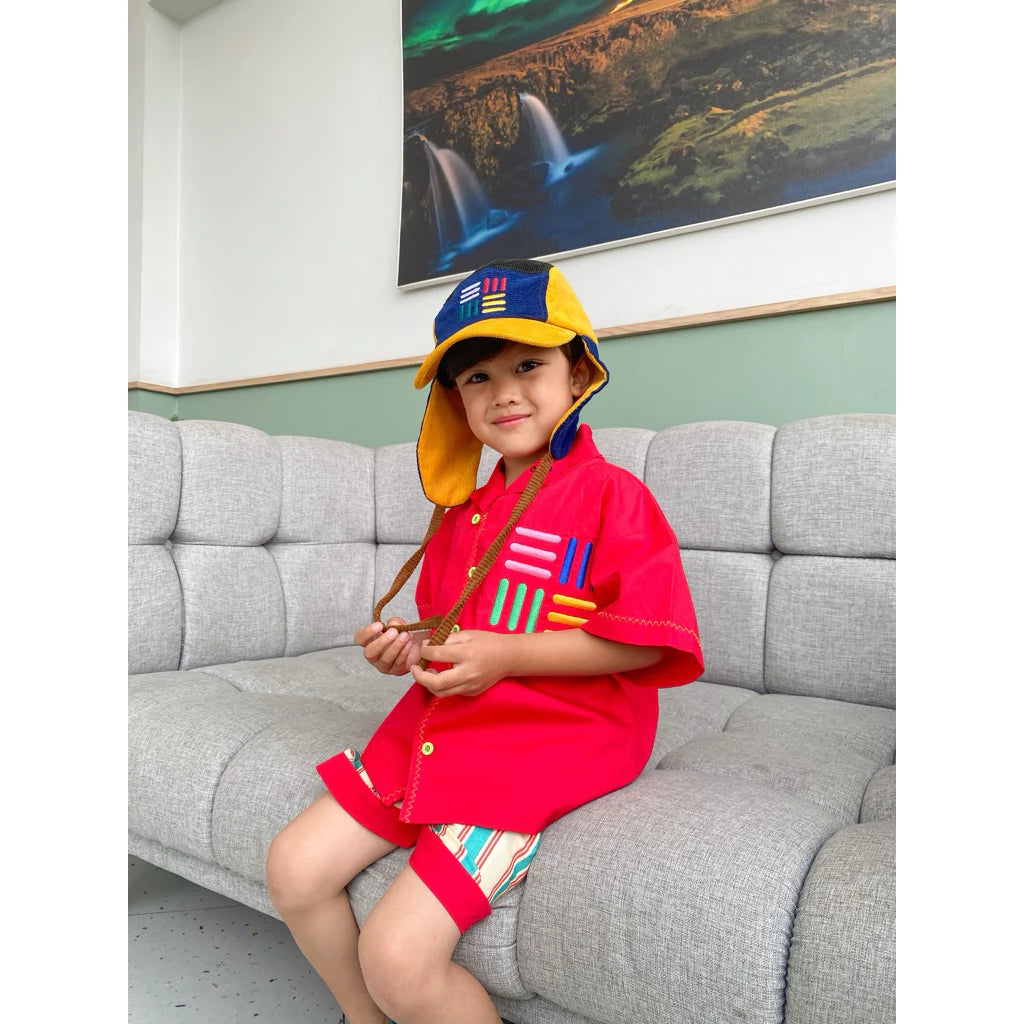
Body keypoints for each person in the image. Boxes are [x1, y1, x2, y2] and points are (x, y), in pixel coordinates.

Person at [266, 258, 704, 1024]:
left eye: (527, 364)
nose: (503, 390)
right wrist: (409, 645)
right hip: (436, 728)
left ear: (578, 373)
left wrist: (506, 656)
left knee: (398, 956)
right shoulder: (463, 509)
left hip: (544, 744)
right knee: (293, 867)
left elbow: (647, 643)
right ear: (454, 399)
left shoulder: (613, 496)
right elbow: (450, 625)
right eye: (476, 376)